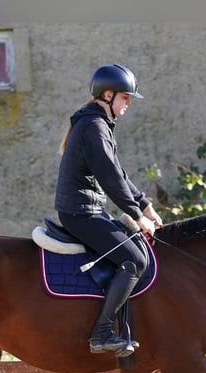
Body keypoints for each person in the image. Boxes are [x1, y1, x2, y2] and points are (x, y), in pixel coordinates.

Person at [54, 63, 163, 356]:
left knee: (136, 249)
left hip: (88, 209)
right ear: (108, 95)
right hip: (80, 213)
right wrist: (137, 217)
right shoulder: (94, 127)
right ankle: (101, 333)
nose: (128, 104)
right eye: (125, 98)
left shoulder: (98, 124)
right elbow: (110, 178)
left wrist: (145, 205)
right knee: (135, 261)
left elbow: (119, 173)